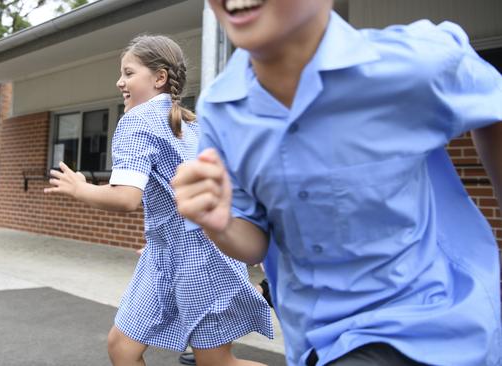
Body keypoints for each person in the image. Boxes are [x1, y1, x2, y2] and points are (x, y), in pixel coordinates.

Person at [171, 1, 502, 365]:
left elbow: (491, 98)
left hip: (424, 326)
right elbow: (253, 242)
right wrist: (218, 223)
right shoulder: (221, 108)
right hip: (315, 341)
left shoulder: (409, 64)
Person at [44, 35, 272, 366]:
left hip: (199, 261)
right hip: (169, 254)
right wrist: (162, 238)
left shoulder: (137, 121)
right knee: (123, 346)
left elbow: (125, 198)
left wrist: (80, 189)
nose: (119, 82)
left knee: (216, 363)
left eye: (128, 72)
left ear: (159, 77)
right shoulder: (188, 122)